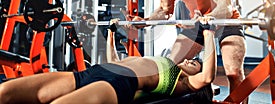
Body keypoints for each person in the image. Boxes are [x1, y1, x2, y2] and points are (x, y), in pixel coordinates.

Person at [0, 19, 216, 104]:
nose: (190, 60)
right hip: (92, 73)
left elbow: (207, 76)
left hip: (113, 85)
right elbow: (113, 59)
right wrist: (111, 33)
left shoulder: (179, 82)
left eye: (195, 63)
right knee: (5, 92)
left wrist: (208, 33)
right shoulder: (158, 59)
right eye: (192, 59)